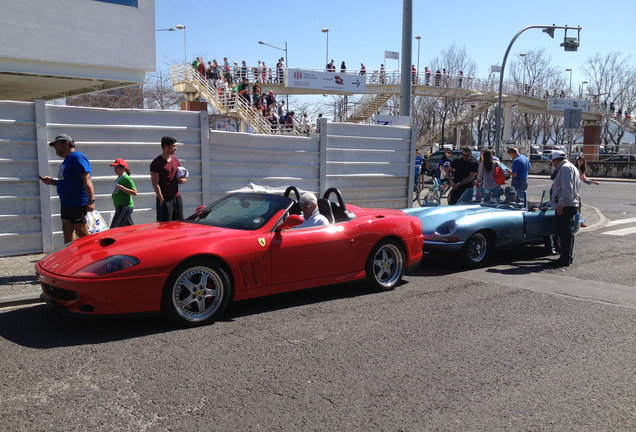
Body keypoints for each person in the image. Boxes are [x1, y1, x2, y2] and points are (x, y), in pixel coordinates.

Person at [40, 134, 96, 243]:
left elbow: (87, 179)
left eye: (57, 146)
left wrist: (91, 201)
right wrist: (51, 181)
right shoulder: (66, 161)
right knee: (67, 231)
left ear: (66, 143)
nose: (55, 150)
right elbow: (66, 183)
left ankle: (92, 257)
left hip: (77, 204)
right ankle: (72, 257)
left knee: (82, 233)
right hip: (66, 204)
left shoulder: (77, 157)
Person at [550, 151, 581, 267]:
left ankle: (565, 258)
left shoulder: (564, 169)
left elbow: (567, 189)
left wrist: (561, 205)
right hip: (570, 204)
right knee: (567, 233)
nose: (553, 164)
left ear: (556, 160)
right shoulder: (571, 167)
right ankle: (566, 256)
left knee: (564, 234)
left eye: (553, 161)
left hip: (566, 205)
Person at [150, 136, 187, 222]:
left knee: (179, 223)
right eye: (173, 146)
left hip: (177, 197)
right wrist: (161, 199)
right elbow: (155, 183)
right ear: (166, 147)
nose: (176, 148)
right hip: (164, 199)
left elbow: (182, 176)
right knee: (165, 225)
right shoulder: (156, 163)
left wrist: (183, 180)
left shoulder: (175, 160)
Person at [109, 158, 137, 228]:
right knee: (129, 229)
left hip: (124, 207)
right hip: (121, 207)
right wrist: (114, 194)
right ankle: (137, 238)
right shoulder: (119, 178)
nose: (115, 169)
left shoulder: (127, 178)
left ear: (123, 168)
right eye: (114, 167)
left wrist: (122, 188)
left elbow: (135, 192)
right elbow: (117, 188)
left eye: (117, 167)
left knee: (114, 228)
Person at [575, 156, 599, 227]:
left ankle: (580, 221)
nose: (581, 162)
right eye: (579, 160)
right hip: (572, 190)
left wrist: (593, 182)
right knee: (577, 206)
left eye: (582, 161)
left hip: (576, 191)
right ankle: (578, 221)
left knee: (579, 206)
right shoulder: (574, 168)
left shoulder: (580, 170)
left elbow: (584, 180)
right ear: (577, 160)